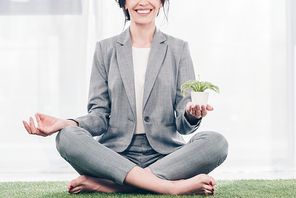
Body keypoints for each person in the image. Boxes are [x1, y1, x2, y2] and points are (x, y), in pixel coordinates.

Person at [23, 0, 228, 195]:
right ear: (124, 3)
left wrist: (192, 115)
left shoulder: (178, 48)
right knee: (66, 136)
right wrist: (65, 122)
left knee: (217, 142)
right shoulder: (105, 49)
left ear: (161, 2)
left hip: (166, 156)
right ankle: (170, 187)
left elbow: (183, 125)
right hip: (115, 156)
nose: (143, 2)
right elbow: (99, 116)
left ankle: (114, 185)